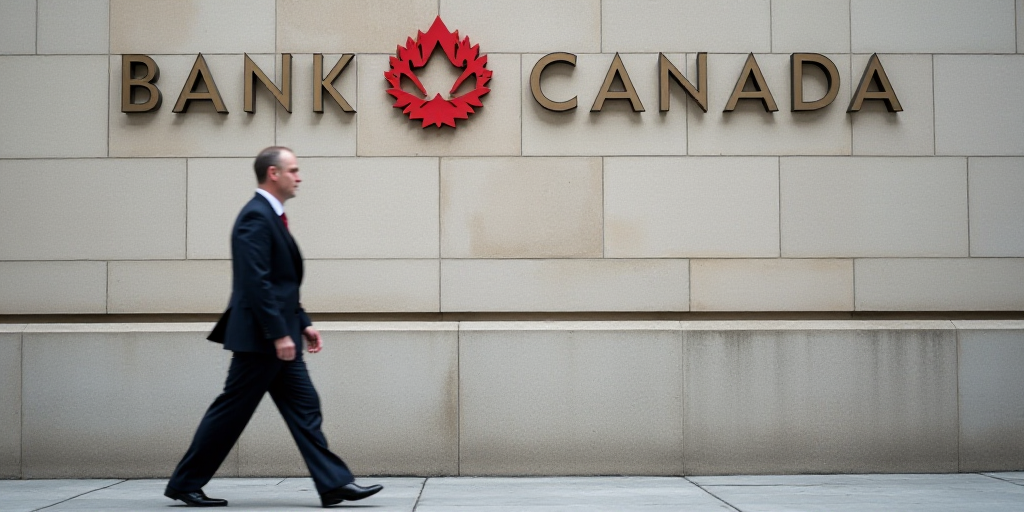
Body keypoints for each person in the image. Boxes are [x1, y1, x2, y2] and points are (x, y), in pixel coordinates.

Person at [164, 147, 382, 508]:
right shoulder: (255, 217)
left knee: (304, 406)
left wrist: (303, 324)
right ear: (272, 173)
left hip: (279, 337)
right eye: (293, 170)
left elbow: (281, 284)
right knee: (231, 413)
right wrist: (280, 333)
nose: (299, 177)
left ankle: (333, 484)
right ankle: (185, 483)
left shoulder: (270, 216)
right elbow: (256, 283)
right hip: (261, 340)